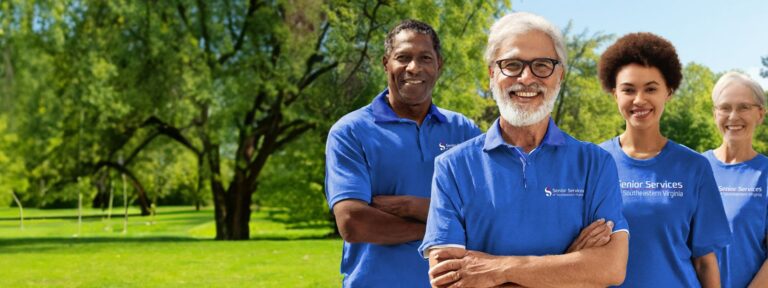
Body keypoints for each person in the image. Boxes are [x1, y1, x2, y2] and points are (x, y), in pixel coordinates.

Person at [418, 12, 629, 288]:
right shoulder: (452, 167)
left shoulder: (595, 163)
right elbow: (450, 280)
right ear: (492, 74)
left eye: (542, 65)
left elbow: (610, 268)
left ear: (560, 75)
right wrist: (571, 265)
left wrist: (499, 269)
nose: (527, 78)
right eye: (512, 64)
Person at [324, 19, 482, 287]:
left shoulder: (464, 131)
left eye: (425, 58)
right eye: (403, 57)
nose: (414, 68)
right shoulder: (350, 132)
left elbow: (487, 212)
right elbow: (353, 222)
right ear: (386, 63)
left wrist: (408, 206)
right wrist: (441, 232)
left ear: (438, 64)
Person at [597, 32, 732, 287]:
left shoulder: (694, 167)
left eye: (651, 88)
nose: (639, 99)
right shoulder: (593, 163)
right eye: (628, 89)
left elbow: (704, 261)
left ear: (668, 92)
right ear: (614, 93)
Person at [703, 71, 768, 288]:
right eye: (725, 108)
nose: (733, 116)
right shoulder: (694, 168)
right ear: (715, 114)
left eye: (743, 107)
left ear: (760, 113)